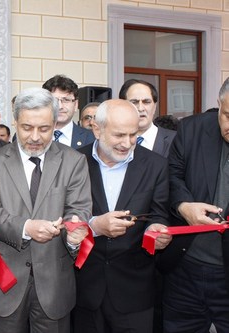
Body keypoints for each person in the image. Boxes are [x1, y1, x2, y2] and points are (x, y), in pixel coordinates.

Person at [0, 87, 91, 332]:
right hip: (4, 283)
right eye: (27, 127)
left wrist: (74, 234)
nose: (35, 137)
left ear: (55, 124)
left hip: (55, 286)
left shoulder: (73, 162)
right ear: (15, 122)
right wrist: (27, 227)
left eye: (44, 128)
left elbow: (79, 210)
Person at [73, 99, 172, 333]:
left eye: (133, 135)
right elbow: (62, 214)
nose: (127, 143)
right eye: (119, 135)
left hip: (134, 290)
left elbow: (159, 214)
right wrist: (95, 226)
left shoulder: (155, 165)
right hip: (85, 288)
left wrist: (155, 231)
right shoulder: (75, 162)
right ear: (97, 130)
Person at [158, 77, 229, 332]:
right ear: (219, 105)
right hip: (186, 267)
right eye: (228, 115)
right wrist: (183, 206)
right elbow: (172, 175)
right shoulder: (191, 129)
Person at [119, 79, 176, 158]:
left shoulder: (175, 140)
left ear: (155, 106)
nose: (141, 108)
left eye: (146, 102)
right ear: (122, 106)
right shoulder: (113, 140)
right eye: (134, 102)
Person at [42, 74, 95, 149]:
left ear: (76, 105)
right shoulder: (34, 136)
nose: (60, 107)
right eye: (54, 101)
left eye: (66, 100)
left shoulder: (91, 138)